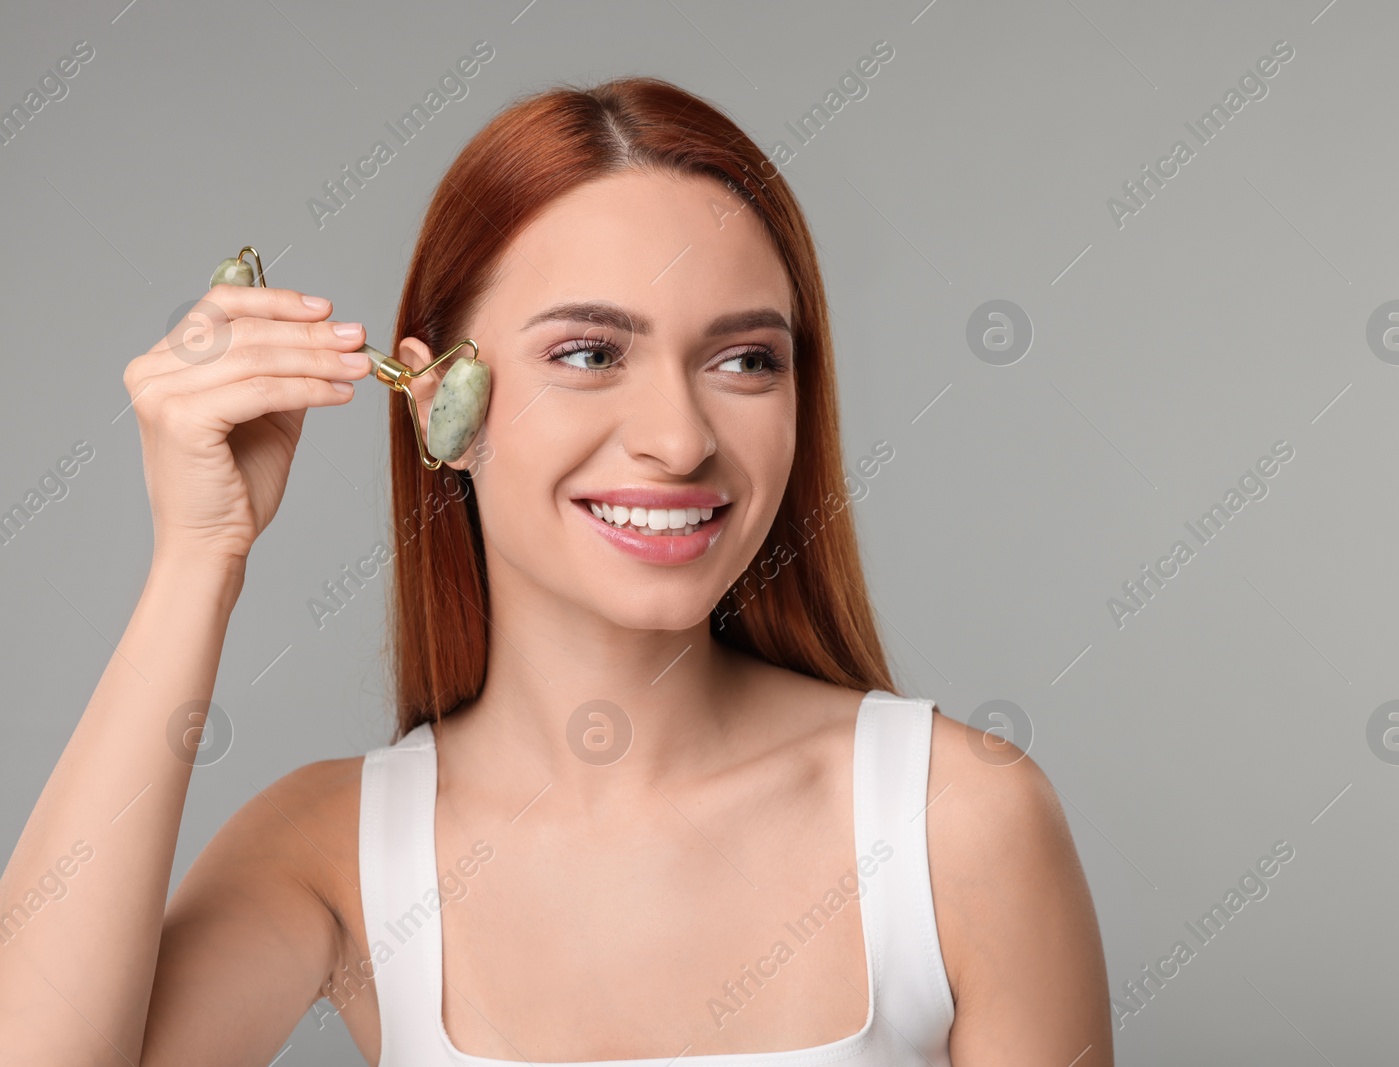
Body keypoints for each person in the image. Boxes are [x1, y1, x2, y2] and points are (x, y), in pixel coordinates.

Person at [0, 76, 1112, 1066]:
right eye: (588, 353)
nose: (678, 438)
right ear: (438, 401)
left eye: (744, 359)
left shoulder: (956, 816)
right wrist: (200, 558)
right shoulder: (331, 848)